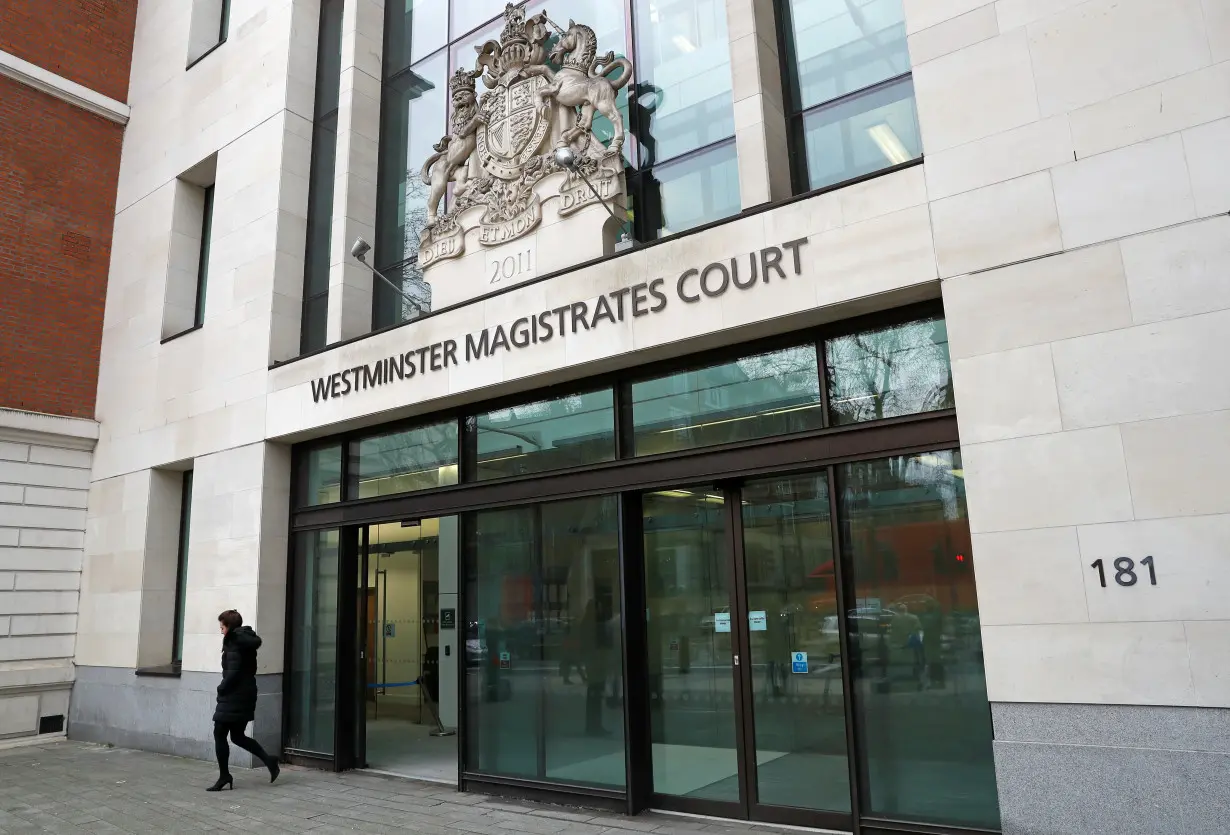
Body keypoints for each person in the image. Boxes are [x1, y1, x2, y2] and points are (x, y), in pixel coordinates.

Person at [208, 610, 280, 791]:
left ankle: (225, 776)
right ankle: (269, 760)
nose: (221, 631)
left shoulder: (233, 641)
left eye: (222, 627)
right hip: (245, 693)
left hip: (234, 694)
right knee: (237, 736)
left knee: (220, 733)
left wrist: (221, 688)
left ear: (229, 627)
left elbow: (233, 671)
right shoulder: (245, 639)